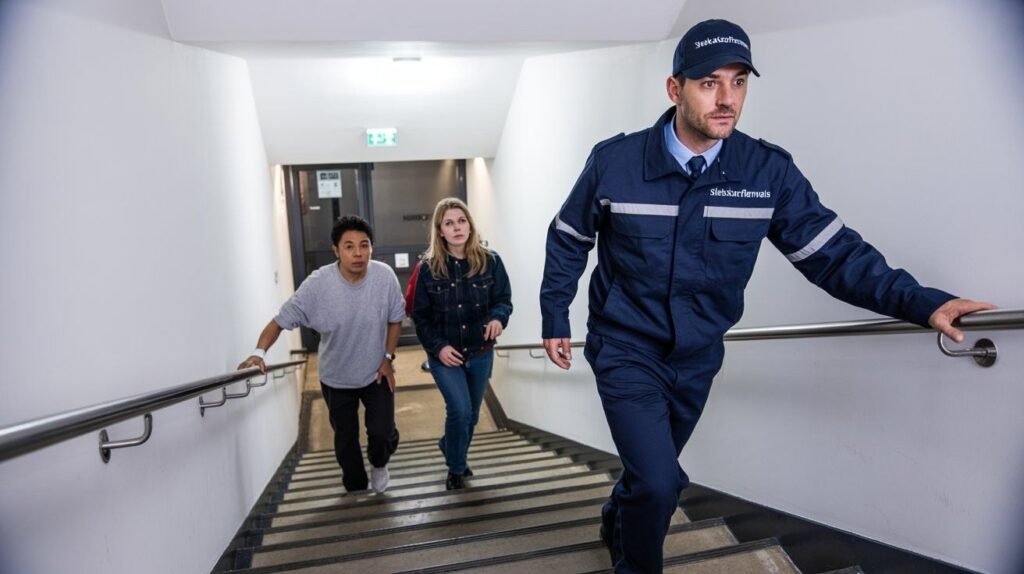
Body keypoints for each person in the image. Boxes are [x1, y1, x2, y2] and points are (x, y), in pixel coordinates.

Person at [539, 19, 994, 573]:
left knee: (650, 475)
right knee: (660, 481)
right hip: (626, 348)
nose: (727, 98)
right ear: (674, 88)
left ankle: (618, 515)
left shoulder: (766, 172)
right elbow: (569, 238)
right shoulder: (615, 163)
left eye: (738, 82)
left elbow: (835, 255)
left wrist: (922, 302)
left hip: (698, 356)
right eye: (709, 83)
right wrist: (555, 313)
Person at [239, 215, 404, 494]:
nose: (358, 253)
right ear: (336, 251)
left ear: (372, 248)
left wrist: (388, 358)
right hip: (336, 377)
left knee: (382, 433)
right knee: (345, 440)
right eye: (349, 246)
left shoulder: (384, 277)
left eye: (364, 245)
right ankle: (355, 489)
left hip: (376, 371)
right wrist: (258, 353)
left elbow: (396, 319)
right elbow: (280, 321)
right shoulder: (317, 285)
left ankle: (379, 463)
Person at [413, 198, 513, 490]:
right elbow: (420, 318)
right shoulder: (428, 269)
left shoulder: (491, 261)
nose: (457, 227)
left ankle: (449, 445)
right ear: (440, 231)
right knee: (460, 411)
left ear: (469, 225)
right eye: (449, 223)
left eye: (461, 221)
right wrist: (439, 348)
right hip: (445, 356)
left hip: (480, 353)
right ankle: (456, 468)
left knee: (470, 416)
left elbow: (503, 300)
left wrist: (498, 318)